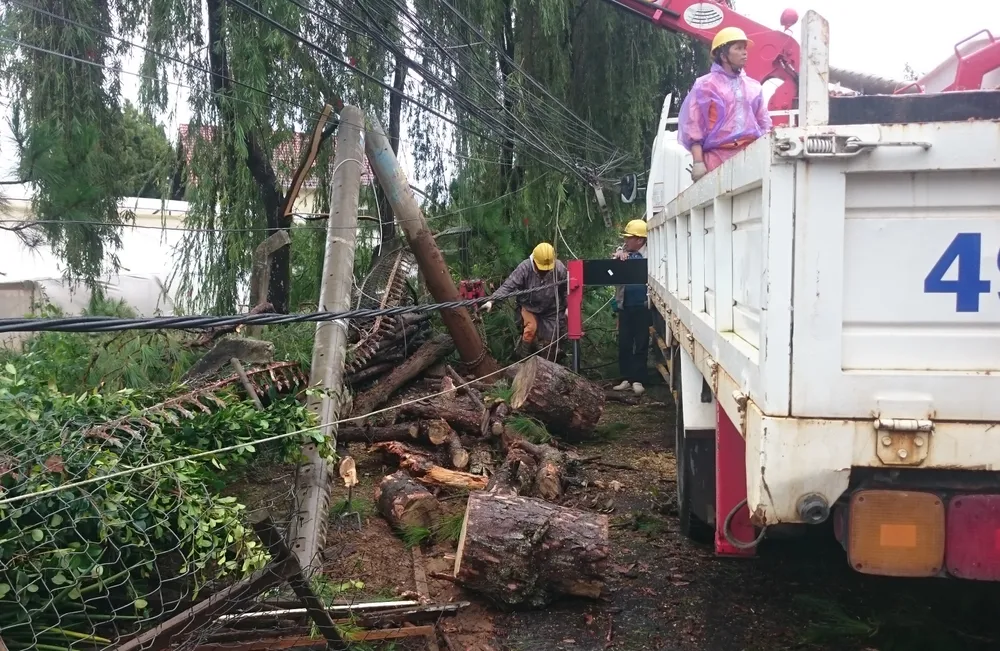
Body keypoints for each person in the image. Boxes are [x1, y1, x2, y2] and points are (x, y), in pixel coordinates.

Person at [678, 26, 772, 182]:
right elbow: (693, 125)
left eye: (745, 48)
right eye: (738, 48)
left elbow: (764, 122)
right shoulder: (705, 85)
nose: (744, 53)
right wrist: (698, 162)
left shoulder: (753, 87)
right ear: (723, 55)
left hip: (751, 155)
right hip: (716, 158)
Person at [484, 242, 568, 360]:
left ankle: (549, 366)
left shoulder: (559, 268)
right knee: (530, 330)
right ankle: (522, 359)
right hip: (529, 307)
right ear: (534, 262)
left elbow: (566, 289)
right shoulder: (524, 268)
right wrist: (491, 301)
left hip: (551, 309)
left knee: (551, 339)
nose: (544, 271)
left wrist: (568, 307)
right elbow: (509, 286)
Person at [612, 219, 650, 396]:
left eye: (629, 238)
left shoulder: (651, 254)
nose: (626, 241)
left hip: (643, 307)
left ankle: (638, 379)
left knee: (641, 343)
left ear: (640, 240)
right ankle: (626, 378)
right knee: (625, 343)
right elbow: (611, 271)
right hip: (625, 306)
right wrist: (619, 255)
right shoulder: (623, 254)